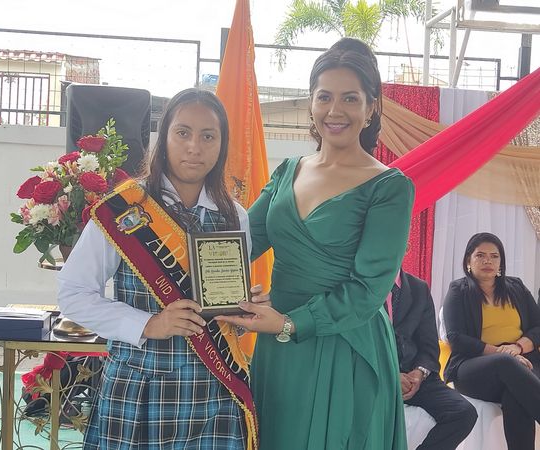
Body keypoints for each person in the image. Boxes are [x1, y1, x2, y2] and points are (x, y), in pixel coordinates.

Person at [217, 37, 414, 449]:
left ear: (371, 107)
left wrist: (289, 323)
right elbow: (239, 244)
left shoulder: (390, 187)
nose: (334, 110)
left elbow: (368, 290)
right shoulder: (287, 171)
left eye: (350, 98)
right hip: (279, 346)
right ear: (310, 102)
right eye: (324, 97)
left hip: (345, 343)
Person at [58, 88, 267, 450]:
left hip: (213, 391)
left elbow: (223, 308)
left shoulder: (235, 217)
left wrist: (242, 308)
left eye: (208, 136)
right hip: (140, 389)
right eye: (183, 133)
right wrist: (149, 324)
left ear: (222, 145)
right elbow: (72, 294)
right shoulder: (125, 208)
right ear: (164, 137)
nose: (194, 147)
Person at [443, 232, 540, 450]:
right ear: (468, 261)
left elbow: (538, 326)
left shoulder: (516, 286)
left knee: (516, 394)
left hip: (524, 360)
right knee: (506, 364)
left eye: (494, 256)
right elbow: (456, 338)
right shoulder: (458, 290)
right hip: (474, 366)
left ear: (501, 262)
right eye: (480, 255)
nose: (488, 261)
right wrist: (503, 353)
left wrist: (517, 348)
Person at [387, 270, 476, 449]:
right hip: (376, 375)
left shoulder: (419, 288)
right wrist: (391, 376)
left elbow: (429, 345)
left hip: (415, 377)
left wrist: (419, 373)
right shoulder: (361, 285)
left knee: (464, 413)